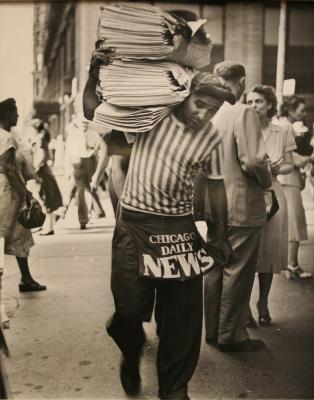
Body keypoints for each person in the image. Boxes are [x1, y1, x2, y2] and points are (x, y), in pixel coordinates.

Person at [84, 47, 235, 399]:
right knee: (128, 313)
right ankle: (130, 349)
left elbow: (216, 186)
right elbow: (94, 110)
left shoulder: (212, 137)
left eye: (212, 110)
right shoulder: (152, 115)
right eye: (200, 104)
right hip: (135, 225)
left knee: (184, 319)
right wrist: (95, 72)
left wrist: (220, 234)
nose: (203, 115)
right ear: (185, 95)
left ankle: (175, 389)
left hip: (180, 229)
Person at [201, 61, 272, 352]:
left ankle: (213, 330)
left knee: (216, 266)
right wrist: (266, 182)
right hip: (241, 202)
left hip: (214, 204)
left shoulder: (210, 113)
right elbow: (253, 160)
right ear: (241, 82)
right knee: (238, 270)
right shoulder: (242, 112)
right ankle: (231, 335)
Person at [246, 85, 296, 327]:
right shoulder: (243, 129)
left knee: (268, 251)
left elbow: (290, 164)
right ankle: (243, 305)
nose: (254, 106)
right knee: (246, 250)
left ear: (269, 105)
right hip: (248, 192)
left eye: (259, 102)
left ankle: (263, 301)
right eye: (251, 101)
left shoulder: (283, 130)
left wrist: (277, 168)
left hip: (274, 194)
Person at [0, 98, 46, 292]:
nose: (18, 115)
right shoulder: (6, 137)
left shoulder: (8, 135)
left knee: (18, 234)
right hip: (8, 193)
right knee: (10, 234)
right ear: (7, 114)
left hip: (7, 190)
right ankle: (25, 279)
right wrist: (26, 193)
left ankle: (26, 278)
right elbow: (7, 168)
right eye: (15, 112)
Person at [277, 96, 312, 279]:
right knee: (295, 222)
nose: (304, 113)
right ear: (291, 110)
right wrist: (309, 159)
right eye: (301, 109)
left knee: (286, 222)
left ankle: (287, 263)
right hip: (289, 179)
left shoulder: (280, 124)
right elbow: (291, 158)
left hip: (282, 179)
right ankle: (292, 264)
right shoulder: (288, 128)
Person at [64, 114, 108, 229]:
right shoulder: (72, 136)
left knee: (90, 187)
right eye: (82, 122)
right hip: (77, 163)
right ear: (78, 123)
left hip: (90, 162)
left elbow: (100, 146)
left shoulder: (93, 134)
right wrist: (67, 169)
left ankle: (98, 211)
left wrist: (94, 150)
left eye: (86, 122)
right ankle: (82, 219)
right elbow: (68, 153)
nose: (84, 125)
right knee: (80, 191)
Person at [32, 121, 63, 235]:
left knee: (45, 198)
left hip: (41, 172)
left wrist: (35, 168)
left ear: (35, 129)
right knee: (44, 198)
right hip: (44, 171)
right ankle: (48, 224)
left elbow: (41, 156)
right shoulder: (41, 138)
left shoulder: (39, 138)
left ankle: (49, 227)